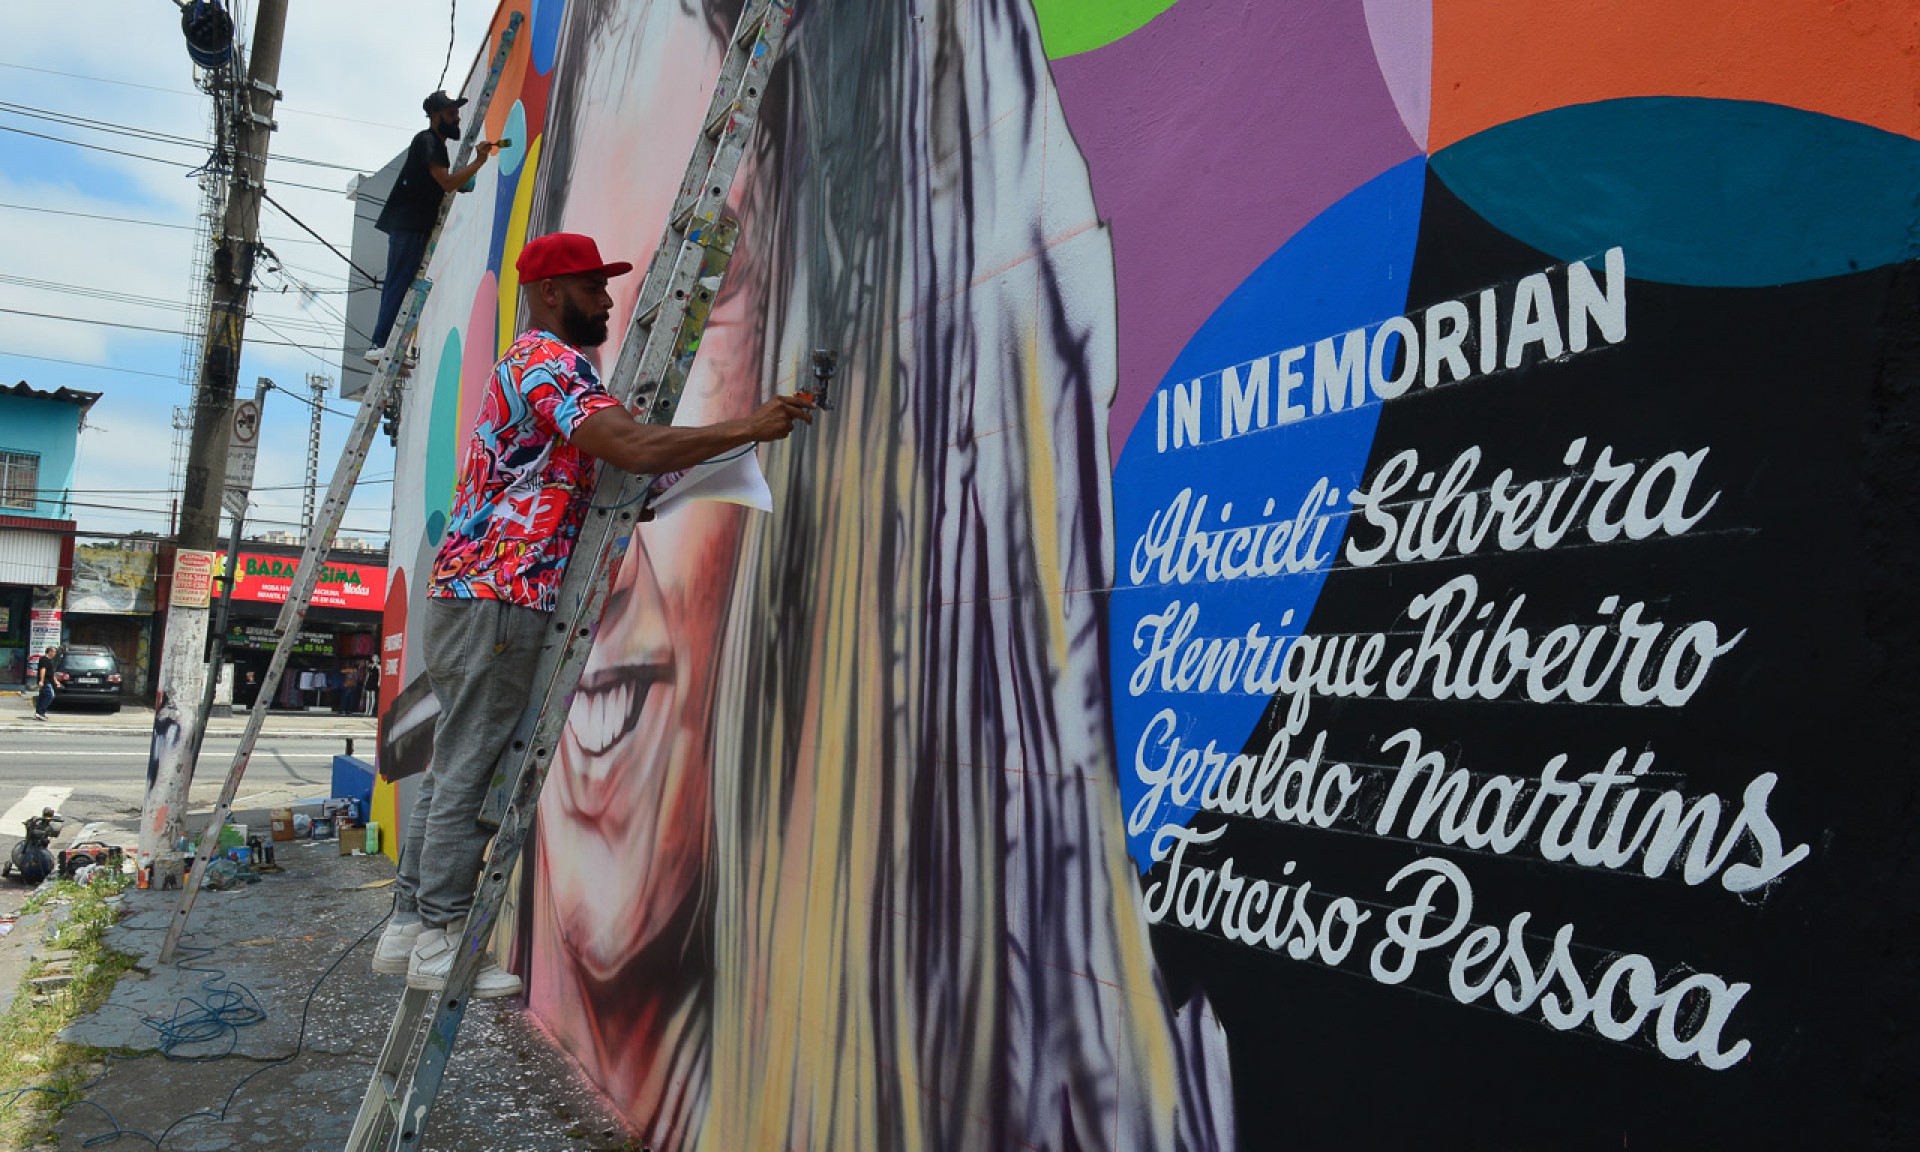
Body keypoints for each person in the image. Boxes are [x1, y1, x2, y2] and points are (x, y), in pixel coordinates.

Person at [371, 230, 816, 998]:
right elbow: (628, 445)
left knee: (454, 760)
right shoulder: (547, 361)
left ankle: (411, 927)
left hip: (472, 588)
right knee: (474, 763)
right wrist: (749, 427)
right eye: (592, 286)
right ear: (551, 293)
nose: (607, 299)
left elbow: (597, 470)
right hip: (502, 592)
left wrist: (677, 473)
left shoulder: (533, 368)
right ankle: (441, 938)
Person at [365, 90, 497, 361]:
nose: (457, 118)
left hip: (416, 223)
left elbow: (447, 182)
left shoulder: (437, 145)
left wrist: (465, 178)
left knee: (407, 286)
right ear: (435, 115)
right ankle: (379, 343)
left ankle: (389, 345)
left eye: (457, 113)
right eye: (451, 113)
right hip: (409, 222)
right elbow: (447, 182)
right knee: (399, 283)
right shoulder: (427, 141)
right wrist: (479, 163)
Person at [31, 647, 56, 720]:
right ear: (50, 652)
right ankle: (41, 712)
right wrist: (41, 681)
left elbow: (51, 672)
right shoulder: (44, 659)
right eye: (54, 651)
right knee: (50, 695)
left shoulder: (50, 660)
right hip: (45, 681)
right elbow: (43, 670)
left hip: (48, 681)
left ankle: (39, 713)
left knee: (42, 697)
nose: (55, 653)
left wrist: (55, 681)